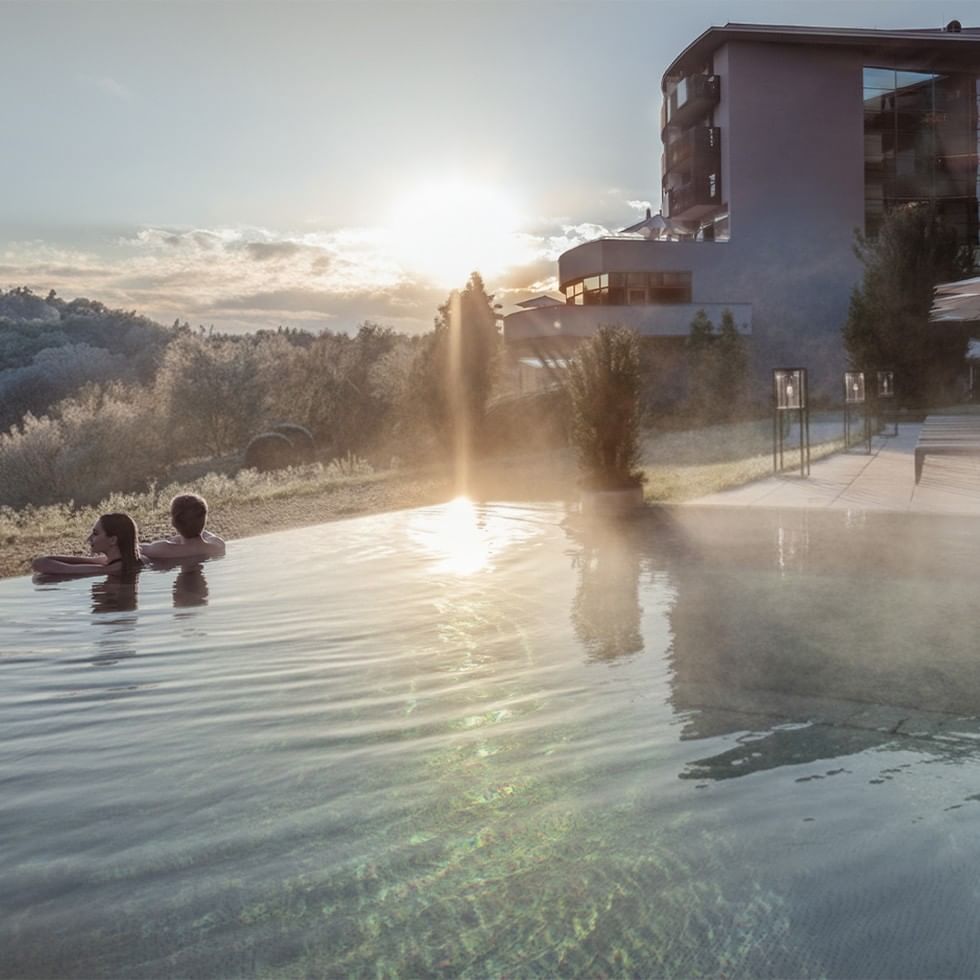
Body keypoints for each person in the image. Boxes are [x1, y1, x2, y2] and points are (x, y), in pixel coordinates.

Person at [32, 512, 144, 577]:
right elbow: (90, 561)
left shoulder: (110, 569)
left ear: (113, 540)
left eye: (95, 534)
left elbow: (40, 563)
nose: (89, 539)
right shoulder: (130, 561)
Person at [141, 492, 226, 561]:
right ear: (204, 521)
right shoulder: (217, 545)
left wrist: (174, 539)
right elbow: (207, 535)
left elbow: (136, 548)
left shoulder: (163, 550)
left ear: (173, 523)